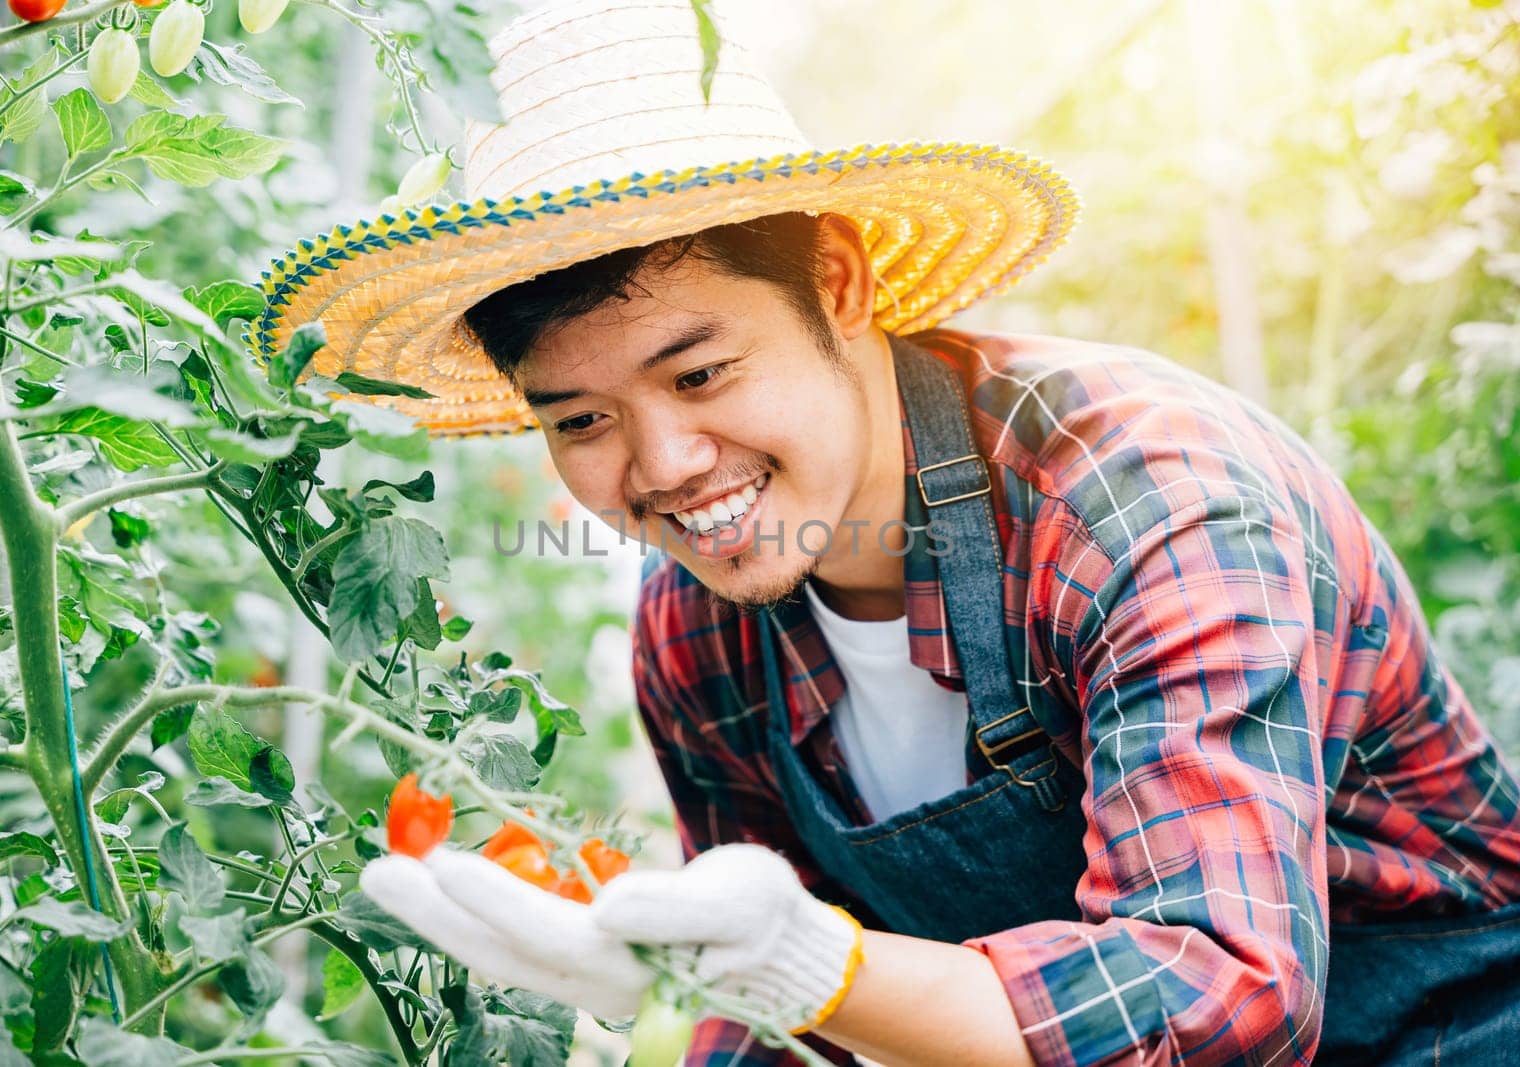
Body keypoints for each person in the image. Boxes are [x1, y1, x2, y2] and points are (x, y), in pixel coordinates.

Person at [254, 1, 1520, 1063]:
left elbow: (1221, 992)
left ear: (842, 287)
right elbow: (773, 1014)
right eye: (582, 418)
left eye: (698, 375)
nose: (662, 468)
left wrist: (812, 963)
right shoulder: (696, 629)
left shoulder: (1144, 499)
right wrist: (717, 974)